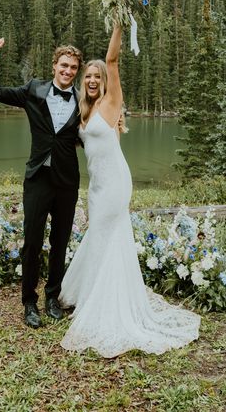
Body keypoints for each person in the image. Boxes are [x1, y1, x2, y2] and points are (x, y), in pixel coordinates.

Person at [59, 23, 201, 357]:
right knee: (99, 237)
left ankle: (107, 304)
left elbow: (112, 61)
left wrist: (119, 22)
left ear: (103, 81)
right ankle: (92, 293)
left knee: (109, 238)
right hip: (96, 186)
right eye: (88, 77)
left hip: (115, 184)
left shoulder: (111, 103)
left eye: (96, 76)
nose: (93, 80)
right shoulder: (83, 111)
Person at [0, 38, 83, 329]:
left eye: (73, 67)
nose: (67, 71)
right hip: (38, 178)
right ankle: (29, 302)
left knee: (61, 241)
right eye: (63, 65)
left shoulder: (82, 100)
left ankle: (53, 297)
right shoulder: (33, 90)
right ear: (54, 65)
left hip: (67, 181)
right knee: (32, 242)